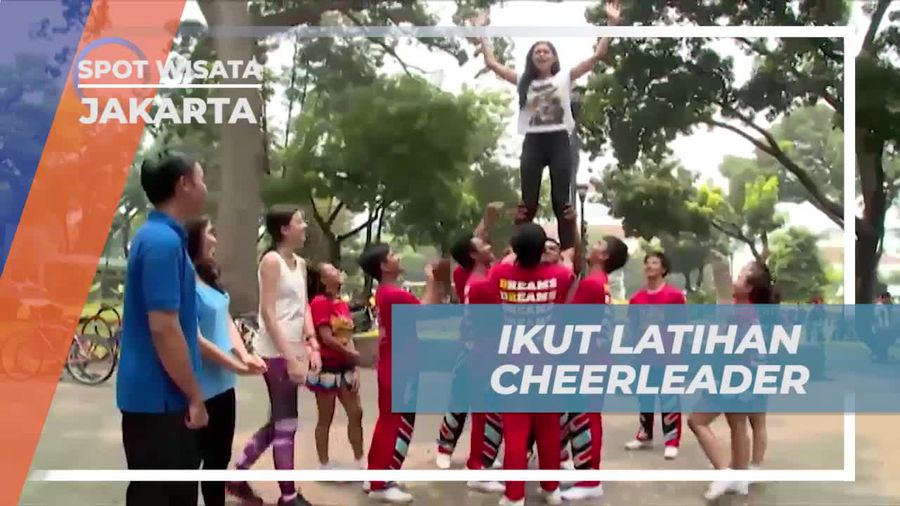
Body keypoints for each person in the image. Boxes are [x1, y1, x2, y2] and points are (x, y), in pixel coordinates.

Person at [478, 0, 620, 250]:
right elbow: (492, 63)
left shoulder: (564, 77)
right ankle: (520, 252)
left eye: (546, 52)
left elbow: (597, 55)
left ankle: (568, 254)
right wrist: (482, 31)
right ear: (531, 58)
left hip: (558, 141)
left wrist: (611, 24)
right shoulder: (523, 81)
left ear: (554, 57)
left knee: (561, 203)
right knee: (528, 204)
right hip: (533, 142)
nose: (541, 55)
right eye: (537, 52)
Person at [117, 150, 208, 506]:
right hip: (160, 399)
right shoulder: (162, 243)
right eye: (201, 179)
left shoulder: (162, 238)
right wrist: (194, 396)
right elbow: (164, 328)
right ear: (184, 184)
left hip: (160, 396)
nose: (204, 187)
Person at [227, 207, 318, 506]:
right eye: (299, 222)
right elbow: (267, 312)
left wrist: (312, 343)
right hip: (275, 351)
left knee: (280, 420)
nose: (304, 226)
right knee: (286, 422)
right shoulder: (271, 261)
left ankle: (236, 477)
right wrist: (289, 357)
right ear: (284, 229)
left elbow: (303, 306)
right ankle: (288, 496)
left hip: (294, 348)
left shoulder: (300, 264)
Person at [488, 213, 581, 506]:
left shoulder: (499, 275)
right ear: (542, 250)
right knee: (549, 430)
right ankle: (551, 489)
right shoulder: (560, 276)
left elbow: (503, 264)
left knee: (515, 432)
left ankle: (514, 495)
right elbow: (570, 269)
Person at [185, 217, 268, 506]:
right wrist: (237, 366)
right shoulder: (183, 280)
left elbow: (226, 319)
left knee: (218, 460)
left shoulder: (208, 276)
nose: (215, 239)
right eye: (210, 233)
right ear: (194, 237)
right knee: (192, 461)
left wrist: (244, 355)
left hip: (223, 386)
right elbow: (195, 339)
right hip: (198, 386)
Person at [359, 244, 446, 503]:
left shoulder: (386, 293)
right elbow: (427, 311)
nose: (397, 257)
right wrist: (432, 280)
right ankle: (379, 484)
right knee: (391, 424)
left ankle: (375, 476)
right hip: (400, 366)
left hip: (394, 363)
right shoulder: (393, 294)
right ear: (384, 266)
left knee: (387, 422)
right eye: (392, 255)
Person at [688, 261, 778, 501]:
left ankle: (724, 472)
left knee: (697, 421)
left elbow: (730, 349)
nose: (734, 279)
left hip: (734, 376)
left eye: (740, 276)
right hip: (747, 377)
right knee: (738, 424)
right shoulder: (747, 309)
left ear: (748, 288)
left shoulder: (742, 313)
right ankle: (739, 477)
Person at [558, 235, 629, 501]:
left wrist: (565, 269)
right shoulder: (599, 283)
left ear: (604, 256)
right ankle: (584, 472)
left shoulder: (591, 285)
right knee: (582, 418)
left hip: (586, 360)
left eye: (599, 244)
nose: (592, 246)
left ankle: (590, 479)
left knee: (585, 419)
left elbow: (567, 319)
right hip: (592, 358)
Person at [436, 202, 503, 469]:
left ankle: (484, 455)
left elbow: (472, 246)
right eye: (483, 244)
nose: (488, 244)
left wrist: (489, 220)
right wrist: (486, 220)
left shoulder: (487, 273)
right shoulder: (469, 276)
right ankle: (446, 447)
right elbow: (470, 245)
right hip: (472, 350)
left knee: (483, 405)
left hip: (483, 350)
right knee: (460, 400)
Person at [624, 252, 687, 460]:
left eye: (654, 262)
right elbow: (632, 328)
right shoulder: (636, 299)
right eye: (647, 263)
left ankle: (672, 441)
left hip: (667, 357)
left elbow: (681, 327)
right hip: (643, 357)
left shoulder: (674, 296)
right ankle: (645, 435)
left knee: (669, 399)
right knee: (644, 397)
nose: (649, 266)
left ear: (663, 269)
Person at [306, 262, 365, 471]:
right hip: (327, 368)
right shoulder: (319, 303)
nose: (337, 271)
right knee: (325, 417)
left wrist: (354, 366)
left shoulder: (341, 303)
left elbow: (347, 336)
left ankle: (360, 460)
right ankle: (324, 464)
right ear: (323, 280)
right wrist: (350, 354)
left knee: (356, 413)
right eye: (331, 270)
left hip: (345, 367)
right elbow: (326, 337)